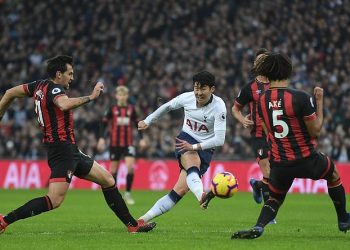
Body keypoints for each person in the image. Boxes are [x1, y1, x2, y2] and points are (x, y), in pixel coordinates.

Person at [0, 55, 156, 234]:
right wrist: (91, 96)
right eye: (70, 73)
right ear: (59, 74)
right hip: (62, 151)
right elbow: (64, 105)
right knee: (54, 200)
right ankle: (4, 220)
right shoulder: (55, 89)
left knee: (108, 180)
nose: (72, 77)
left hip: (70, 150)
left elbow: (10, 93)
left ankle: (132, 225)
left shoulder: (38, 86)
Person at [231, 52, 350, 239]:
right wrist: (319, 101)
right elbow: (316, 131)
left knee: (275, 198)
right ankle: (343, 219)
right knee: (333, 174)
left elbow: (268, 131)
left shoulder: (260, 101)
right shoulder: (300, 98)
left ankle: (258, 226)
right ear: (288, 71)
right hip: (306, 158)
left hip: (280, 162)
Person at [137, 70, 227, 223]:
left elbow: (219, 140)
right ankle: (201, 196)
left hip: (205, 147)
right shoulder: (187, 98)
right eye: (196, 88)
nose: (198, 92)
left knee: (179, 190)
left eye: (202, 89)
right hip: (185, 139)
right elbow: (167, 106)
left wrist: (195, 147)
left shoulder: (219, 107)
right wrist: (148, 120)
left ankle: (143, 219)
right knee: (192, 162)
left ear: (212, 89)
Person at [232, 48, 272, 205]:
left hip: (277, 135)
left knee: (274, 175)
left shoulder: (278, 84)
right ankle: (270, 214)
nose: (262, 63)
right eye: (259, 61)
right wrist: (242, 119)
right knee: (267, 170)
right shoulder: (250, 87)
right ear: (255, 64)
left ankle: (257, 185)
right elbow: (235, 108)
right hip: (258, 134)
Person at [97, 85, 146, 205]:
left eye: (124, 95)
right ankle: (114, 195)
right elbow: (103, 124)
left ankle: (128, 193)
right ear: (116, 96)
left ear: (127, 96)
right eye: (120, 94)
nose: (122, 97)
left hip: (128, 143)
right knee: (113, 170)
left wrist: (141, 139)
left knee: (130, 167)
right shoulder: (112, 109)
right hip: (115, 143)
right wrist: (102, 138)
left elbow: (136, 124)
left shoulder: (131, 109)